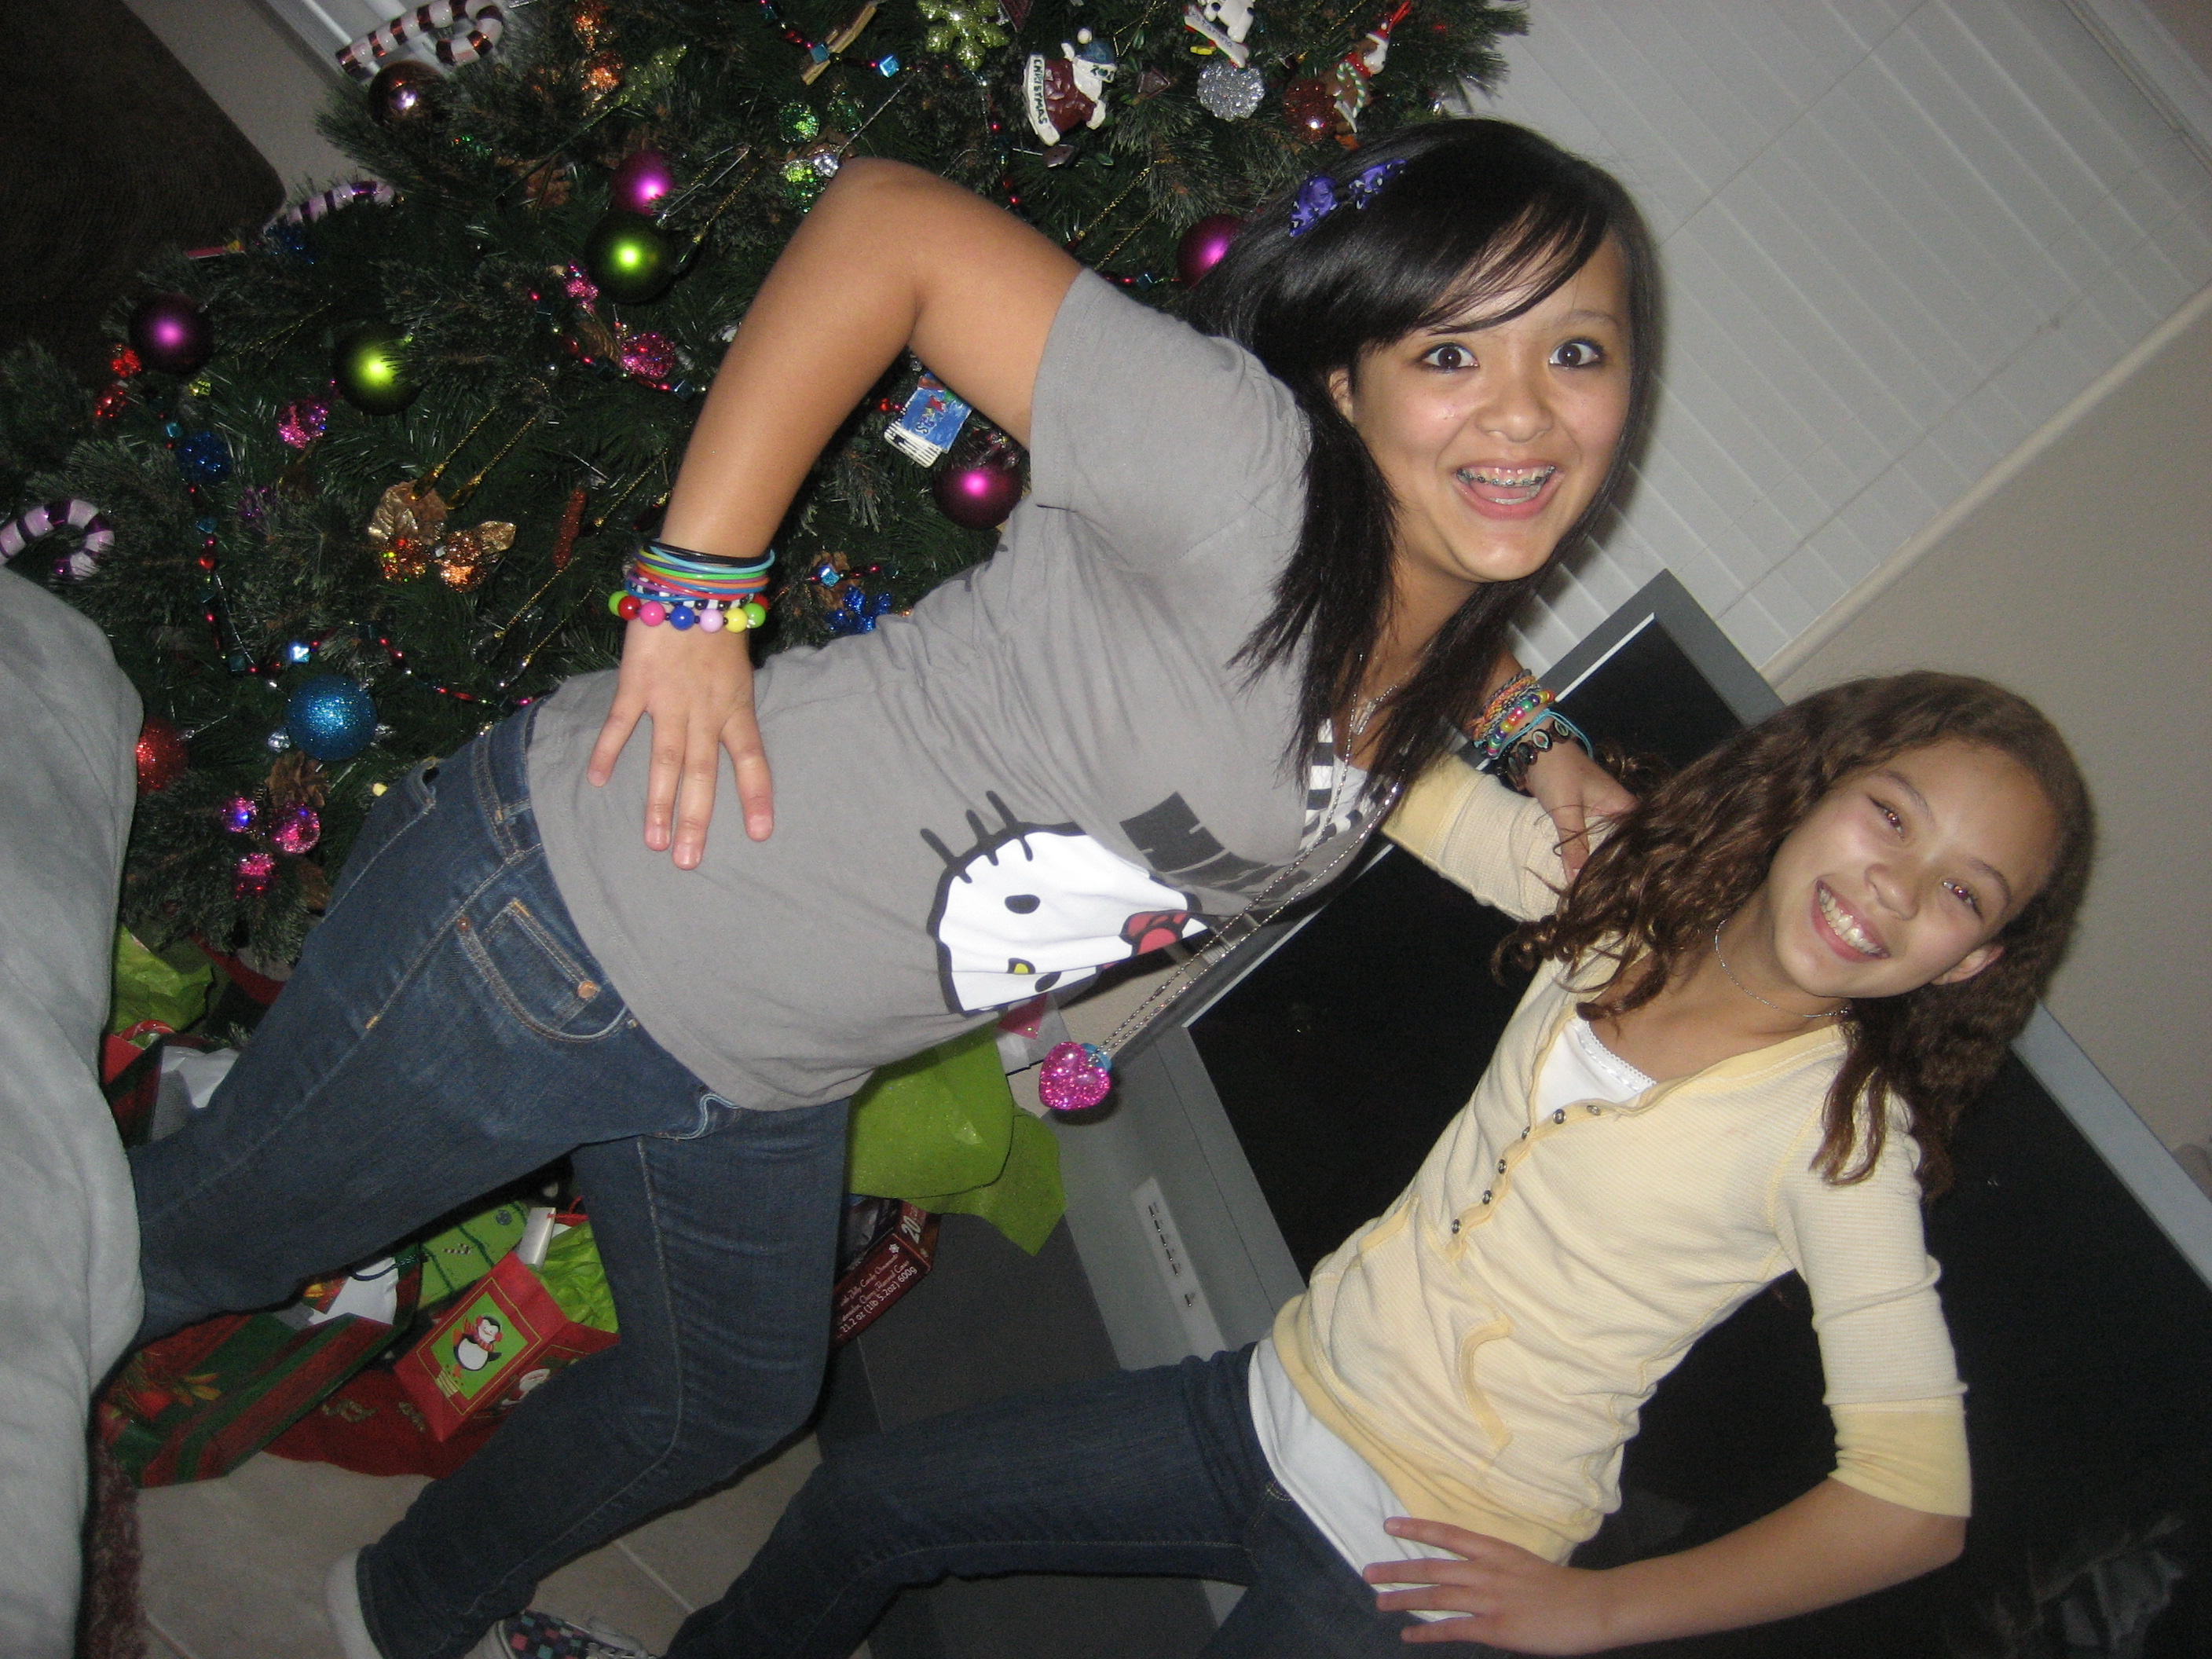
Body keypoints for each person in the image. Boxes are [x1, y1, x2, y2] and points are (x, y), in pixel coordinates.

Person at [126, 119, 1654, 1659]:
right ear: (1346, 379)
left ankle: (399, 1605)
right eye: (1451, 353)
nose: (1524, 411)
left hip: (763, 1065)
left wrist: (1538, 743)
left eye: (1575, 351)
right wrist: (695, 593)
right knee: (189, 1246)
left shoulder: (1399, 627)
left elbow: (1388, 669)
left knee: (719, 1396)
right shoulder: (1242, 465)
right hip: (574, 925)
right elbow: (886, 228)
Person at [646, 672, 2095, 1658]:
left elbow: (1912, 1503)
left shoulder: (1845, 1146)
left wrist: (1600, 1614)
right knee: (866, 1504)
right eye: (1889, 815)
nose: (1895, 886)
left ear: (1971, 958)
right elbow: (1379, 736)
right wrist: (1544, 741)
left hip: (1417, 1574)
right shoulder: (1622, 900)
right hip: (1264, 1402)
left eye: (1962, 893)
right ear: (1817, 785)